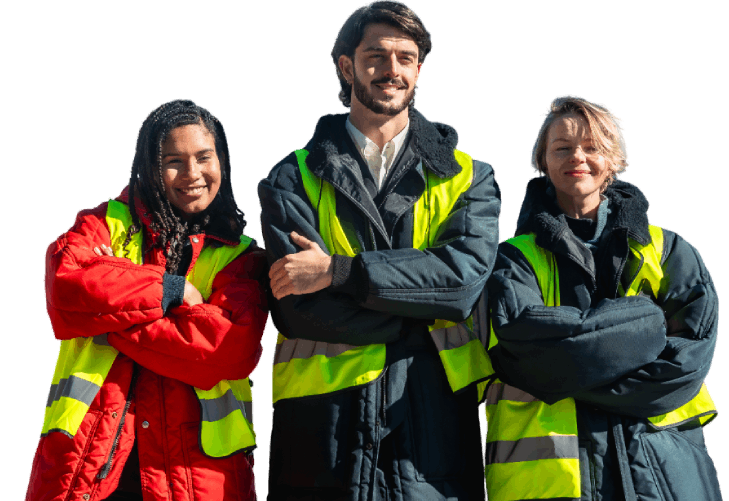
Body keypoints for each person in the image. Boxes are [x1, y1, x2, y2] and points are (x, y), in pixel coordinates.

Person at [258, 2, 501, 500]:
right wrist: (419, 311)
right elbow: (298, 308)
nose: (392, 70)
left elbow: (460, 286)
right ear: (347, 67)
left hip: (431, 430)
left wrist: (339, 272)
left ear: (419, 70)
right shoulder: (291, 176)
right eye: (376, 56)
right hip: (323, 436)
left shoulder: (470, 176)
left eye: (406, 58)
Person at [28, 99, 268, 501]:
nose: (192, 174)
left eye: (204, 157)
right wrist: (170, 290)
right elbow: (66, 287)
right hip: (84, 469)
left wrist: (109, 319)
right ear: (150, 167)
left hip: (199, 479)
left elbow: (228, 350)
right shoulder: (104, 222)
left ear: (223, 161)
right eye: (173, 161)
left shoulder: (241, 255)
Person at [483, 94, 721, 500]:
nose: (577, 157)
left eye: (591, 147)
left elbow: (687, 363)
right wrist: (646, 326)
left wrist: (572, 372)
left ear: (613, 159)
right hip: (552, 483)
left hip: (661, 477)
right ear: (543, 161)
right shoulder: (511, 258)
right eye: (562, 148)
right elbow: (527, 357)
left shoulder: (669, 250)